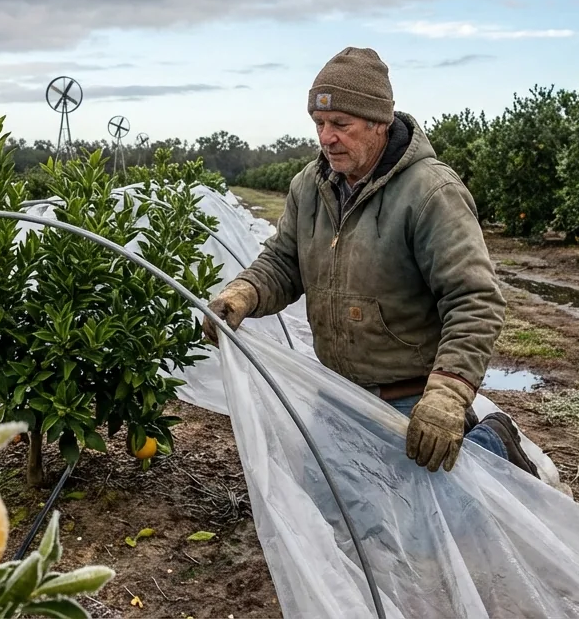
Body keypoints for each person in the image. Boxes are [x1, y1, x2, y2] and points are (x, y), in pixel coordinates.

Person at [203, 47, 538, 476]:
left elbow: (474, 300)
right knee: (334, 510)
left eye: (340, 124)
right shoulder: (311, 186)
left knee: (428, 528)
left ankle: (492, 443)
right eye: (319, 124)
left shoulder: (430, 192)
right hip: (340, 390)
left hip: (410, 395)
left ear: (378, 123)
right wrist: (242, 294)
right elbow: (285, 261)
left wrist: (448, 395)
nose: (326, 137)